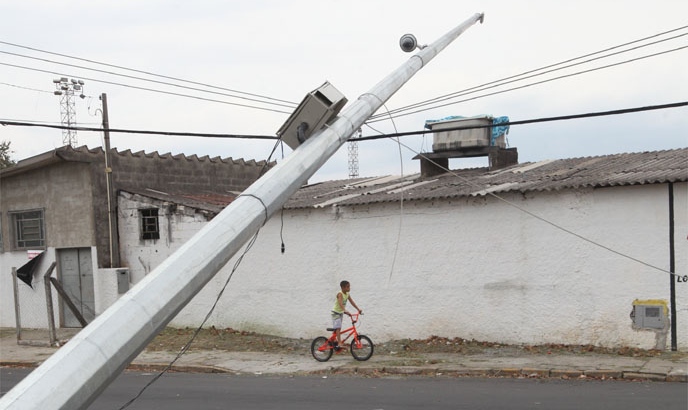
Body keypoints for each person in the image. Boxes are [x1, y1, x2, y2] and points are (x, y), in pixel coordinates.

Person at [331, 280, 362, 352]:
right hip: (336, 313)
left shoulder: (347, 294)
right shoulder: (340, 294)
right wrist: (345, 310)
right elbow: (340, 303)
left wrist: (358, 309)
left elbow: (352, 302)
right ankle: (339, 343)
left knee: (337, 328)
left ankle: (333, 340)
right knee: (338, 328)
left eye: (349, 286)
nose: (349, 288)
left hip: (340, 312)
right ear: (343, 287)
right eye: (348, 287)